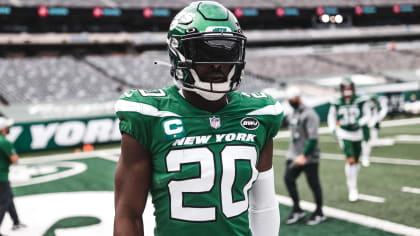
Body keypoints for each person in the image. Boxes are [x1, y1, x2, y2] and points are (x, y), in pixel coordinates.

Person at [113, 2, 283, 236]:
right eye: (205, 52)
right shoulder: (150, 115)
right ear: (178, 52)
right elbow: (128, 215)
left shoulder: (260, 114)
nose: (217, 64)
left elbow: (264, 205)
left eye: (226, 52)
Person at [283, 87, 325, 225]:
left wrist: (304, 155)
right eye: (289, 100)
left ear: (298, 99)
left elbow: (313, 138)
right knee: (288, 179)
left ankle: (319, 212)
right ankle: (297, 210)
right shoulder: (293, 113)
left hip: (309, 156)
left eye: (292, 100)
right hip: (294, 154)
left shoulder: (310, 114)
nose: (290, 102)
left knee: (313, 184)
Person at [328, 77, 371, 202]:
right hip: (344, 133)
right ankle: (352, 188)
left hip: (357, 133)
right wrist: (333, 129)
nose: (347, 90)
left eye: (349, 88)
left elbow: (367, 115)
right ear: (341, 89)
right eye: (345, 88)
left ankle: (353, 183)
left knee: (356, 161)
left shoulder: (360, 100)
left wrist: (360, 122)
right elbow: (331, 117)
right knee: (351, 160)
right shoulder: (336, 102)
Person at [0, 116, 25, 236]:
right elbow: (14, 159)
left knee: (9, 197)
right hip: (1, 176)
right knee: (3, 202)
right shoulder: (4, 142)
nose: (8, 128)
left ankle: (16, 221)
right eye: (7, 126)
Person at [361, 94, 388, 167]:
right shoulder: (365, 105)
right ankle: (365, 158)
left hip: (372, 123)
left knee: (370, 141)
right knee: (366, 142)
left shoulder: (375, 105)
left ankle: (365, 157)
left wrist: (373, 121)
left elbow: (376, 115)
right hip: (366, 124)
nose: (374, 101)